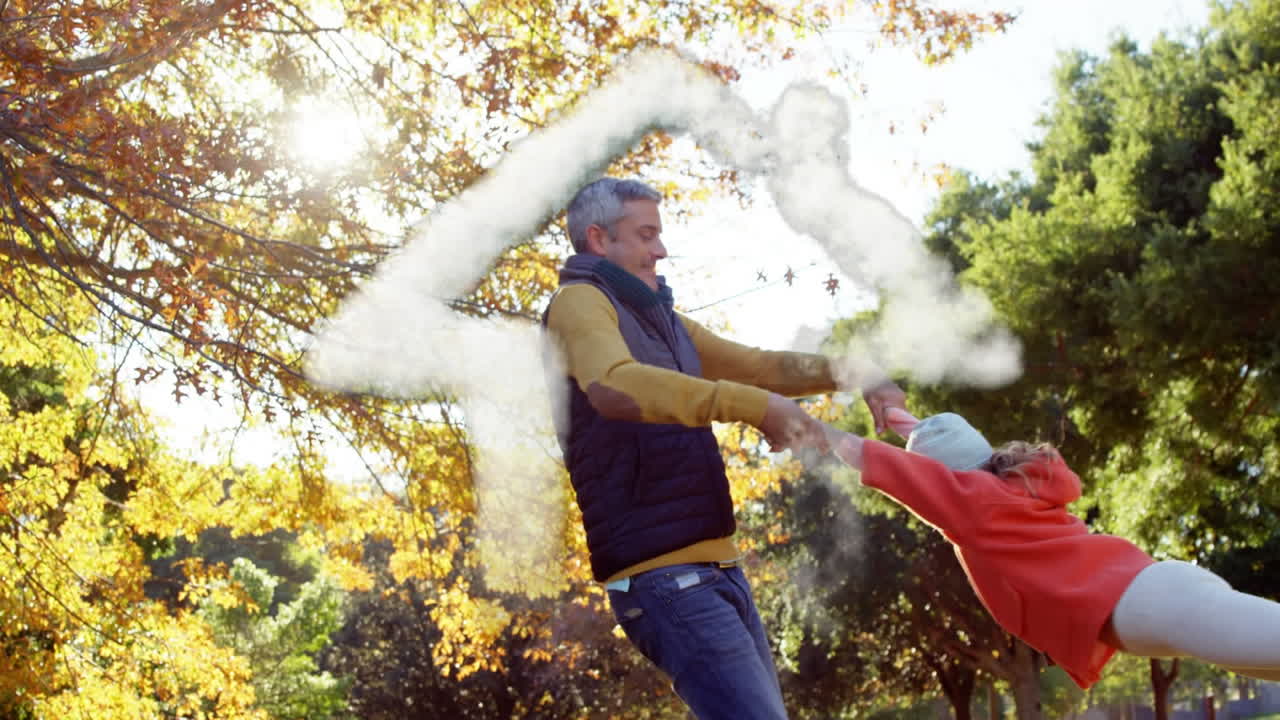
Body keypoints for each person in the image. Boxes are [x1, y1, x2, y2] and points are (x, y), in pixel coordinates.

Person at [541, 177, 906, 719]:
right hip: (663, 579)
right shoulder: (577, 303)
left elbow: (758, 365)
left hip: (717, 567)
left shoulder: (662, 322)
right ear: (599, 239)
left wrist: (855, 371)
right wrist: (756, 408)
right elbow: (617, 385)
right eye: (646, 235)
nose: (661, 250)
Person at [827, 408, 1280, 689]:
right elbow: (935, 451)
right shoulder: (1005, 491)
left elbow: (885, 465)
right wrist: (901, 416)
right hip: (1157, 590)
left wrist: (801, 425)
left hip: (1148, 603)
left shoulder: (974, 506)